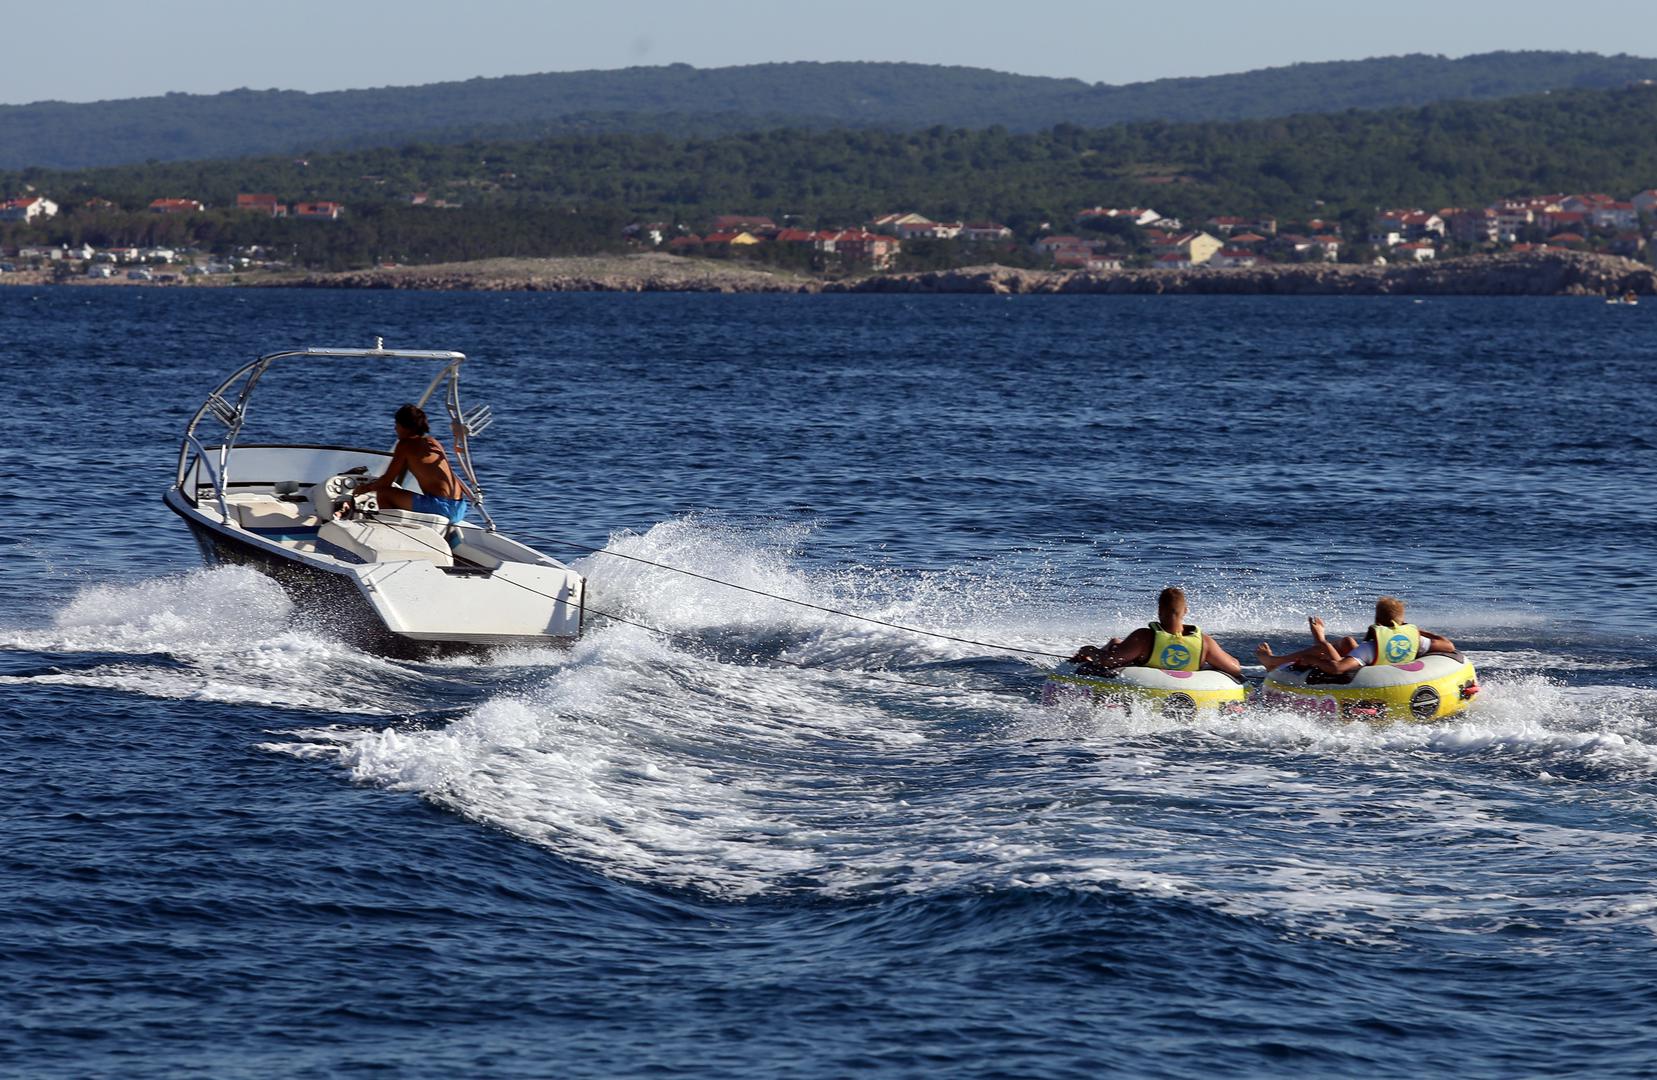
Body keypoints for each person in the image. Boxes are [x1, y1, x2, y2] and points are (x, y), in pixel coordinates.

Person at [1068, 586, 1243, 679]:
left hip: (1145, 686)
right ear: (1186, 611)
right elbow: (1235, 668)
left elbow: (1107, 661)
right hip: (1186, 691)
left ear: (1159, 611)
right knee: (1116, 642)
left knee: (1115, 644)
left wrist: (1087, 650)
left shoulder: (1144, 637)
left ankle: (1115, 643)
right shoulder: (1204, 642)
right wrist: (1205, 663)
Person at [1256, 596, 1456, 675]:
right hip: (1387, 665)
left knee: (1323, 648)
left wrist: (1317, 645)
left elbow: (1338, 669)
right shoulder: (1416, 641)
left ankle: (1273, 661)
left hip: (1365, 674)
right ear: (1401, 622)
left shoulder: (1369, 649)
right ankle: (1278, 658)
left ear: (1377, 623)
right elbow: (1447, 645)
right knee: (1347, 642)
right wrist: (1411, 630)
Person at [341, 403, 469, 523]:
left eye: (396, 424)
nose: (395, 428)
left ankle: (393, 532)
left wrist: (364, 488)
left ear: (405, 427)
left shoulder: (405, 445)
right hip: (459, 507)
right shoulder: (433, 442)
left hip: (440, 506)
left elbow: (386, 482)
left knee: (383, 493)